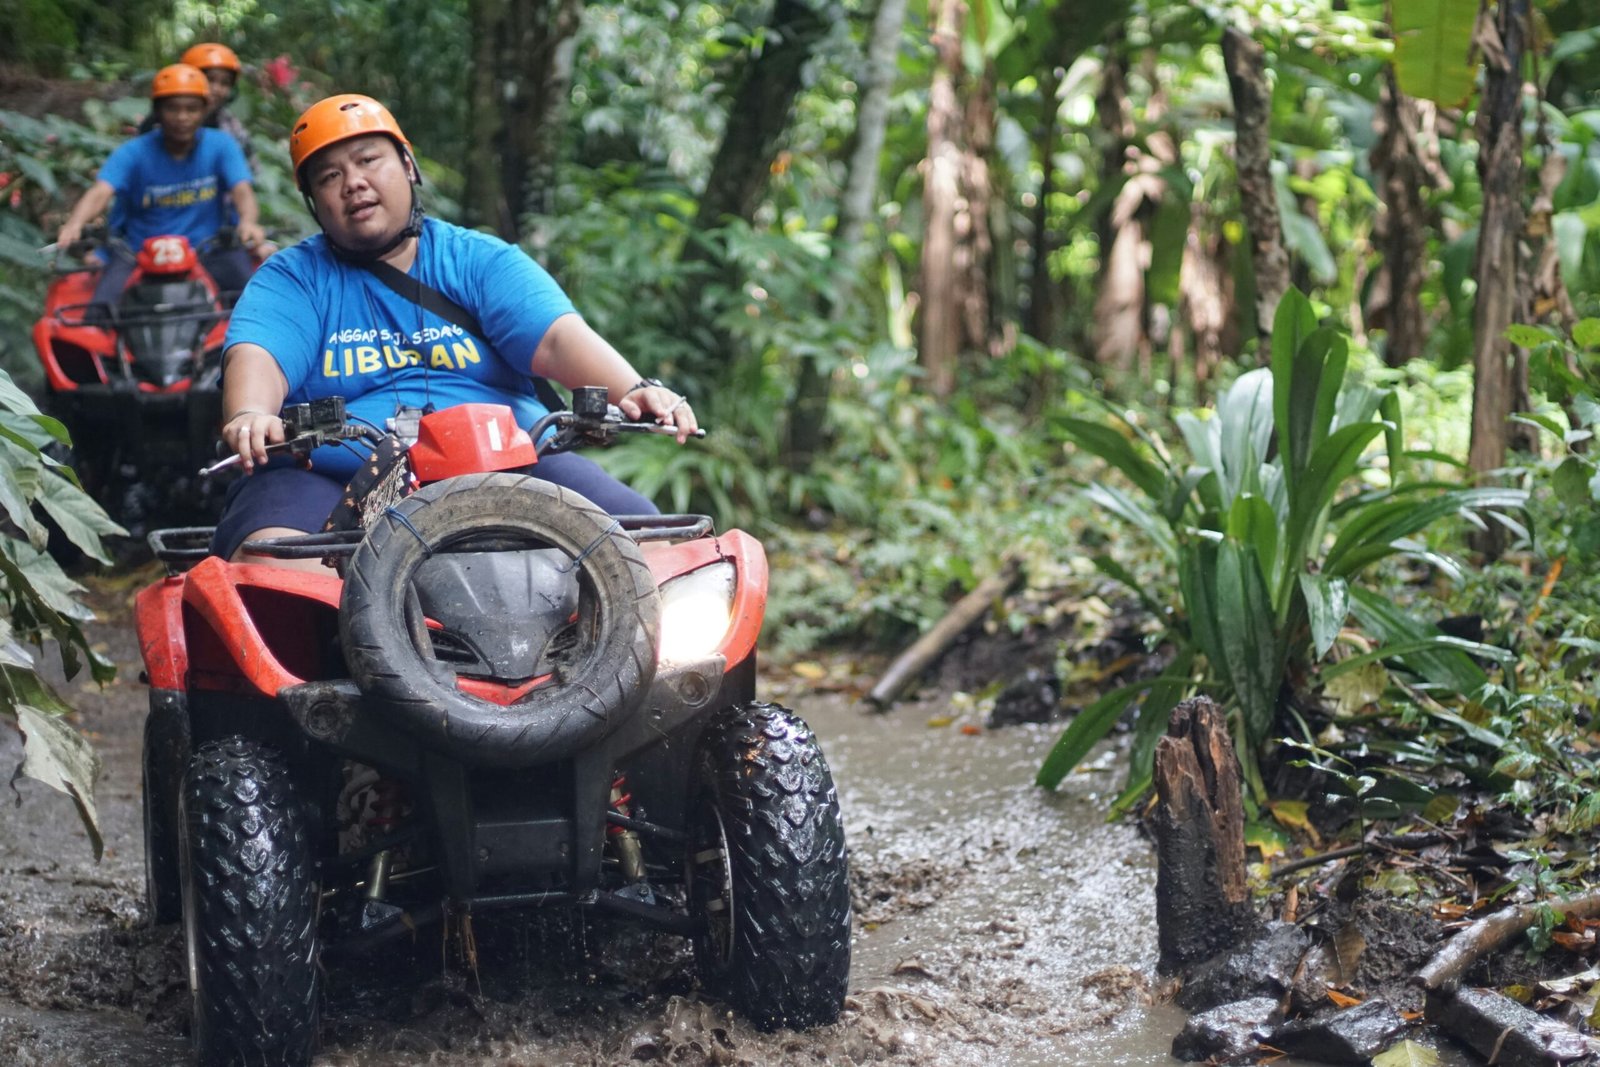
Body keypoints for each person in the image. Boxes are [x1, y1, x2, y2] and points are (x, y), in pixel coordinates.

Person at [211, 93, 696, 570]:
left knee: (653, 547)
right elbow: (261, 355)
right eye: (330, 176)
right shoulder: (292, 278)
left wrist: (633, 388)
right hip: (331, 472)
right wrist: (252, 413)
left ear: (407, 165)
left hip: (510, 461)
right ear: (314, 200)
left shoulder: (477, 259)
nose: (353, 183)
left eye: (368, 160)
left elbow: (555, 338)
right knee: (268, 562)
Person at [55, 63, 265, 310]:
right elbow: (101, 191)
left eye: (191, 109)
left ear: (204, 110)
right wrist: (75, 224)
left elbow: (242, 191)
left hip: (208, 250)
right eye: (172, 108)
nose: (182, 117)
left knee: (254, 306)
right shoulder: (133, 152)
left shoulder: (222, 145)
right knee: (99, 313)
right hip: (138, 254)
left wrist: (248, 222)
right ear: (158, 111)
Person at [135, 43, 257, 172]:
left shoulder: (230, 125)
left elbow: (249, 170)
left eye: (225, 83)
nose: (216, 89)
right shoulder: (159, 123)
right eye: (210, 79)